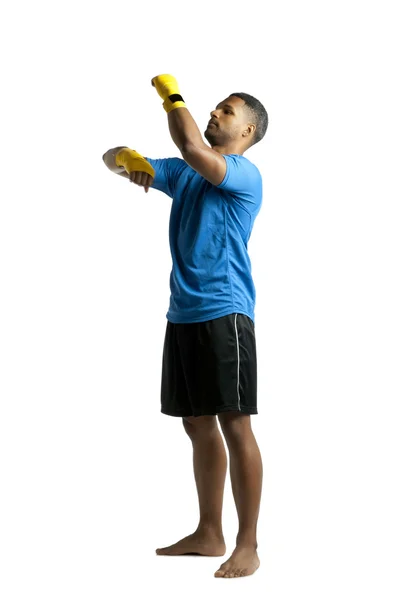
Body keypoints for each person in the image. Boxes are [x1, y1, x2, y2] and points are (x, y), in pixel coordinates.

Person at [102, 74, 268, 578]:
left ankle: (249, 544)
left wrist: (172, 96)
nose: (216, 113)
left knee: (234, 424)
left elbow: (194, 147)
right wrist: (128, 160)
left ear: (248, 130)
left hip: (226, 312)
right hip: (183, 313)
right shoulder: (186, 174)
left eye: (227, 110)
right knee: (196, 424)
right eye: (213, 106)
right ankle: (209, 531)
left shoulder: (241, 172)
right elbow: (111, 158)